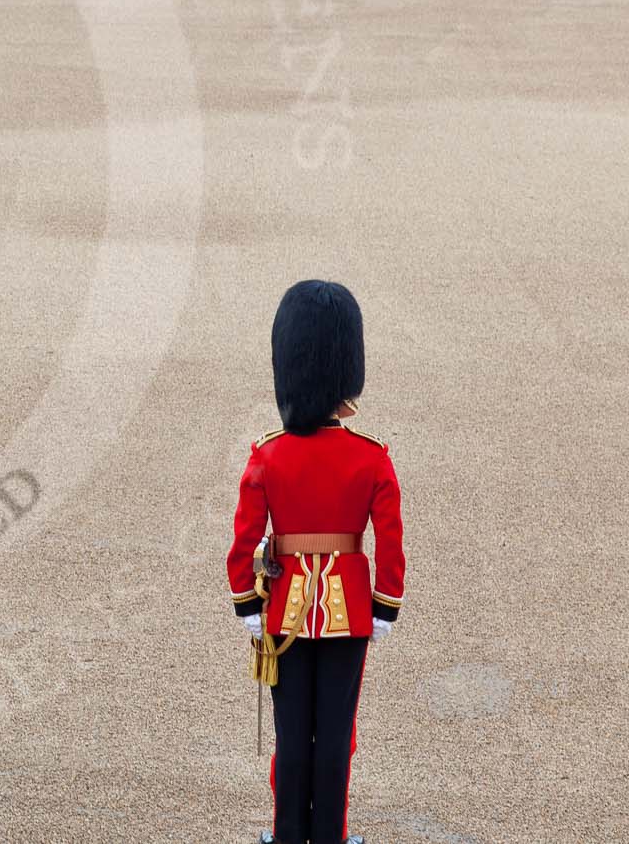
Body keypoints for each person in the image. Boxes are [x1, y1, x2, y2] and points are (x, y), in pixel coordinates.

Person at [228, 280, 404, 844]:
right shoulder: (371, 456)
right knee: (335, 738)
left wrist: (248, 601)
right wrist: (384, 607)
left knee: (291, 733)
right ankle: (331, 835)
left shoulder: (268, 453)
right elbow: (391, 541)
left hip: (283, 611)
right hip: (348, 610)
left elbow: (245, 537)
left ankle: (287, 836)